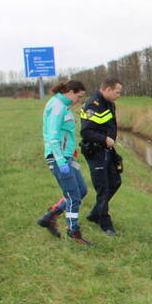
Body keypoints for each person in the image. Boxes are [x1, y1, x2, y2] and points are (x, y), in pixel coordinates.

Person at [35, 80, 92, 245]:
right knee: (74, 197)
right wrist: (60, 160)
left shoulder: (64, 105)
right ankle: (73, 233)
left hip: (67, 157)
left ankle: (50, 216)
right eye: (79, 97)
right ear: (71, 92)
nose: (79, 100)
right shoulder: (58, 106)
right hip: (58, 157)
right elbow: (53, 136)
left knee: (81, 190)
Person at [80, 76, 124, 236]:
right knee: (103, 188)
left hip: (108, 151)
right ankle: (105, 224)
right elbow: (85, 131)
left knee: (115, 181)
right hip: (95, 151)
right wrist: (104, 139)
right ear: (107, 89)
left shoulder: (109, 104)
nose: (119, 95)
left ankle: (94, 214)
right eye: (117, 92)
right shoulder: (93, 105)